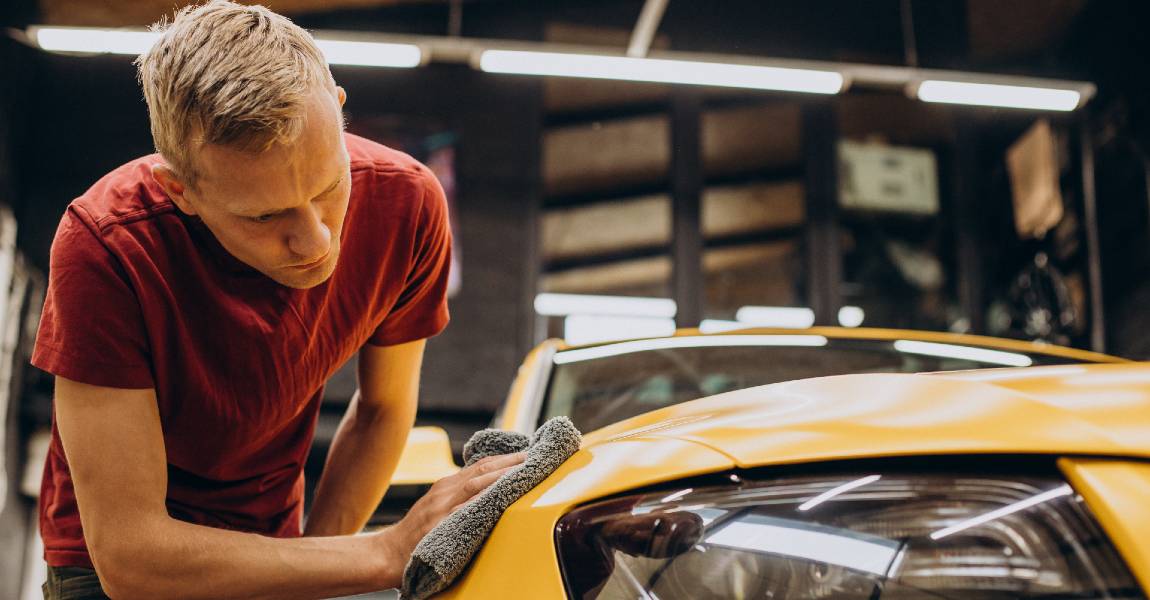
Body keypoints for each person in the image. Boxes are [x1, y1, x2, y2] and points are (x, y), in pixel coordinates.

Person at [31, 2, 524, 598]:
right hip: (112, 563)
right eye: (264, 216)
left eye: (329, 187)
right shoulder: (106, 247)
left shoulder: (408, 205)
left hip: (272, 529)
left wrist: (318, 566)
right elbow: (133, 558)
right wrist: (384, 551)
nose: (316, 240)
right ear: (180, 190)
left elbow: (382, 411)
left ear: (339, 112)